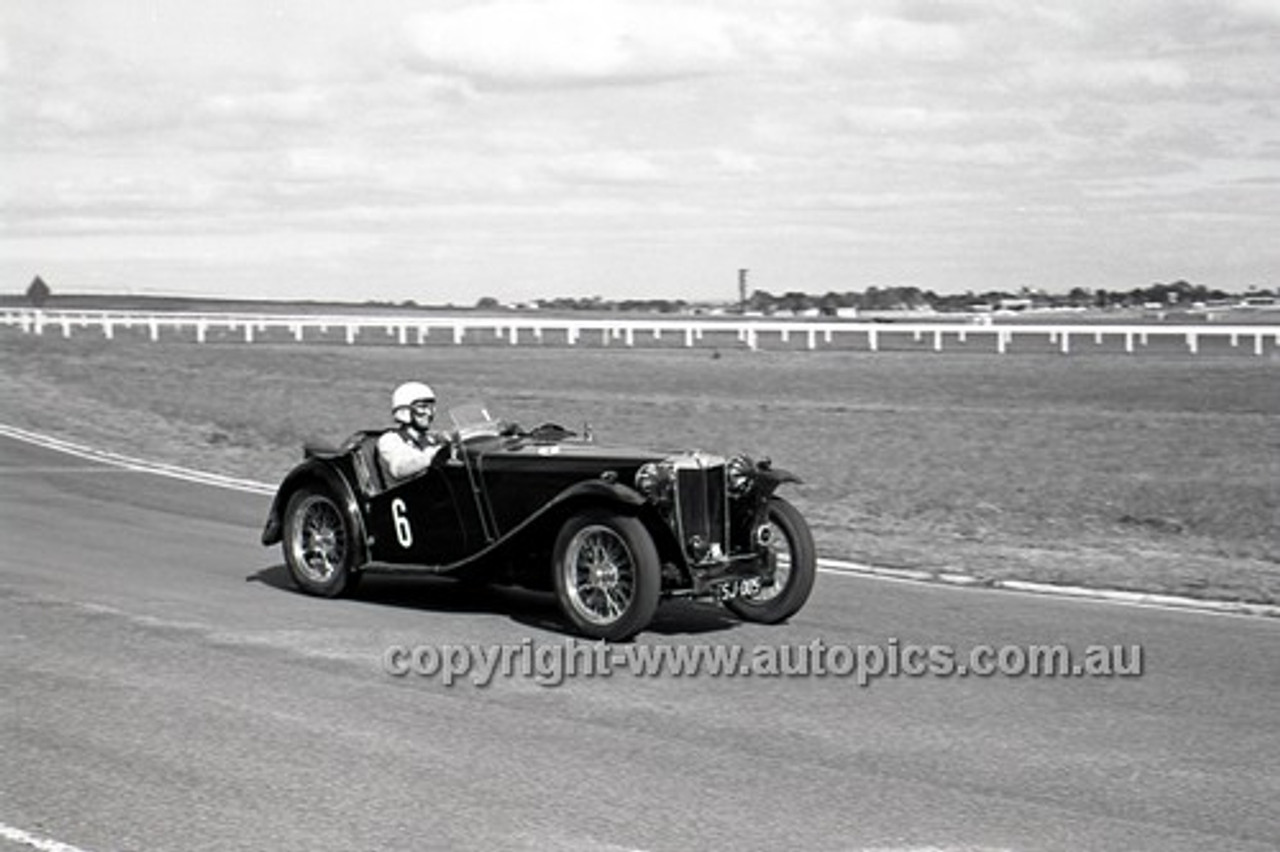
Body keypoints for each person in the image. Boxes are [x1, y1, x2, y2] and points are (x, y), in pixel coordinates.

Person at [377, 381, 446, 482]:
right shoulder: (390, 440)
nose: (428, 413)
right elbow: (399, 468)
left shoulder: (430, 439)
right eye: (422, 407)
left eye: (431, 407)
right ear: (404, 411)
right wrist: (432, 455)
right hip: (406, 495)